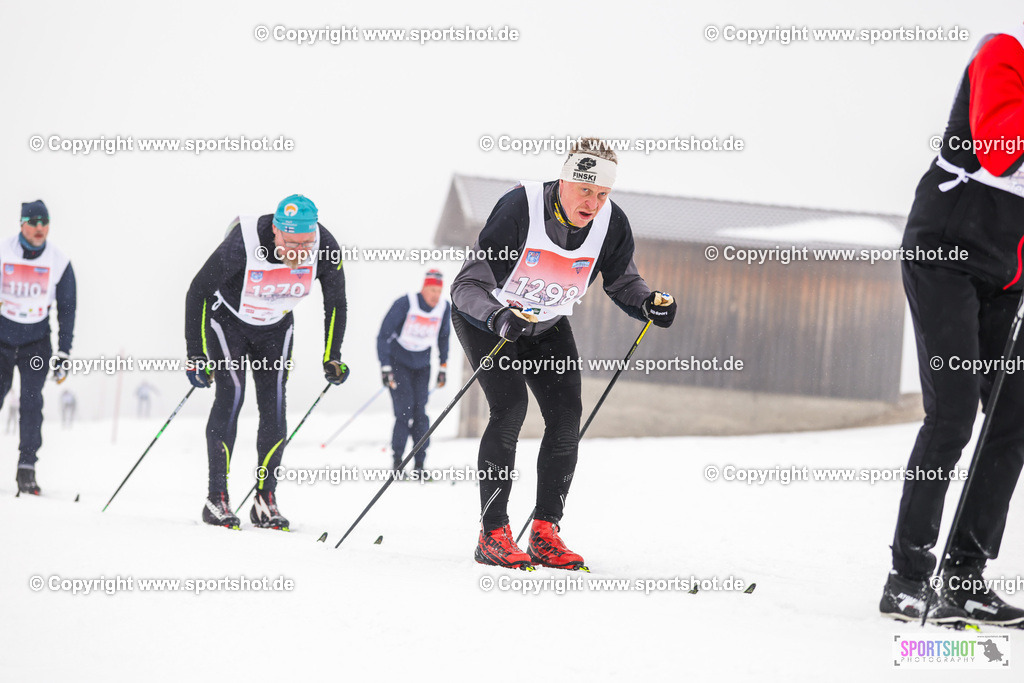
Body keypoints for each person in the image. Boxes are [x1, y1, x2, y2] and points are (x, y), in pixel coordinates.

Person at [450, 138, 677, 569]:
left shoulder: (612, 223)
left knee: (566, 415)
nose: (592, 203)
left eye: (602, 193)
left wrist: (647, 302)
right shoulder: (521, 208)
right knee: (510, 407)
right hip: (490, 320)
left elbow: (623, 281)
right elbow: (467, 286)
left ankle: (544, 531)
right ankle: (493, 533)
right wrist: (498, 317)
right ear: (565, 179)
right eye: (585, 190)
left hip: (545, 325)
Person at [881, 25, 1024, 626]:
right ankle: (908, 577)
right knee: (955, 412)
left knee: (1014, 415)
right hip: (944, 253)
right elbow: (1000, 147)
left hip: (1004, 272)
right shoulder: (1003, 53)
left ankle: (963, 578)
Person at [185, 194, 349, 530]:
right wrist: (196, 355)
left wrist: (332, 355)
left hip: (275, 327)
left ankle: (265, 499)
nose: (299, 252)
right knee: (231, 395)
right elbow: (198, 291)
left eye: (306, 243)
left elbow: (336, 303)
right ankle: (216, 498)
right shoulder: (242, 243)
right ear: (275, 230)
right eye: (291, 243)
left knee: (274, 406)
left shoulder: (325, 246)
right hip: (228, 322)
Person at [0, 200, 76, 495]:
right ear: (22, 224)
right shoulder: (4, 252)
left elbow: (67, 309)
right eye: (33, 222)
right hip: (2, 341)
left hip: (36, 343)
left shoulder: (58, 261)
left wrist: (64, 352)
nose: (40, 228)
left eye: (45, 222)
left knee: (32, 403)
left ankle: (26, 468)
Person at [376, 269, 450, 480]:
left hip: (423, 366)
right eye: (432, 290)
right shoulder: (406, 303)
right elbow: (383, 336)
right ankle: (398, 460)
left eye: (439, 290)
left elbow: (443, 337)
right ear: (424, 288)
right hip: (399, 364)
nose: (436, 295)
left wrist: (443, 366)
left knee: (420, 412)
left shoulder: (444, 308)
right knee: (404, 412)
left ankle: (419, 463)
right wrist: (385, 367)